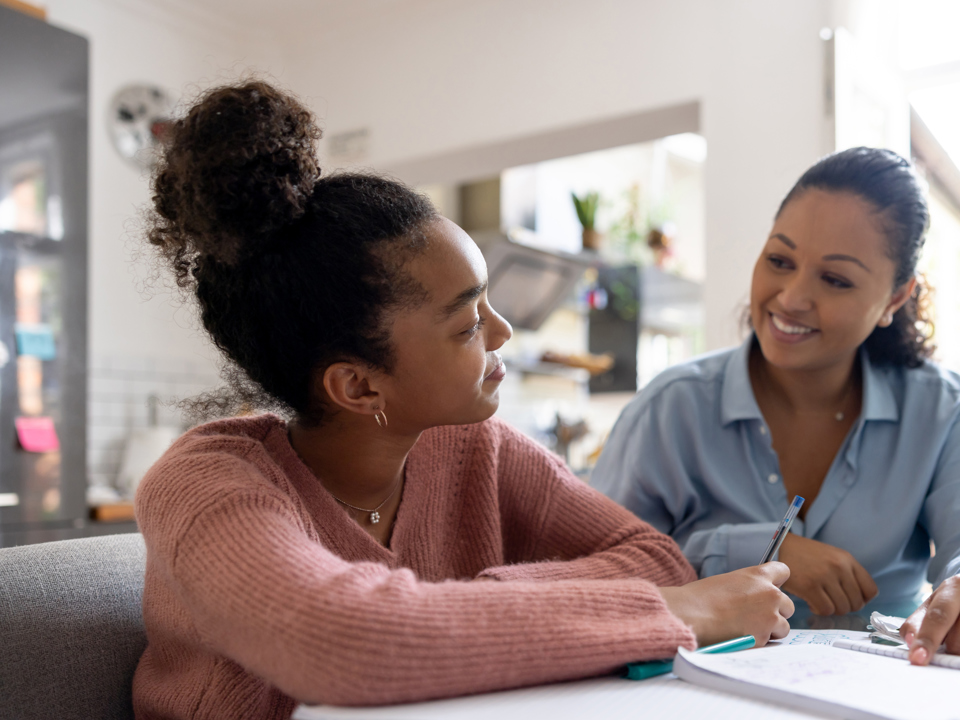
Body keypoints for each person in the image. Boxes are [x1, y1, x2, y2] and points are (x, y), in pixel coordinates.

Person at [130, 81, 793, 720]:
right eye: (468, 322)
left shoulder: (472, 446)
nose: (502, 332)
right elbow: (348, 645)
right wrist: (675, 613)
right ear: (358, 385)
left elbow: (653, 557)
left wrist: (460, 610)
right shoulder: (206, 486)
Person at [595, 147, 960, 666]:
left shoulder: (941, 410)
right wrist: (754, 551)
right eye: (779, 261)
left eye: (836, 280)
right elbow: (594, 574)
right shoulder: (671, 409)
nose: (792, 297)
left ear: (894, 298)